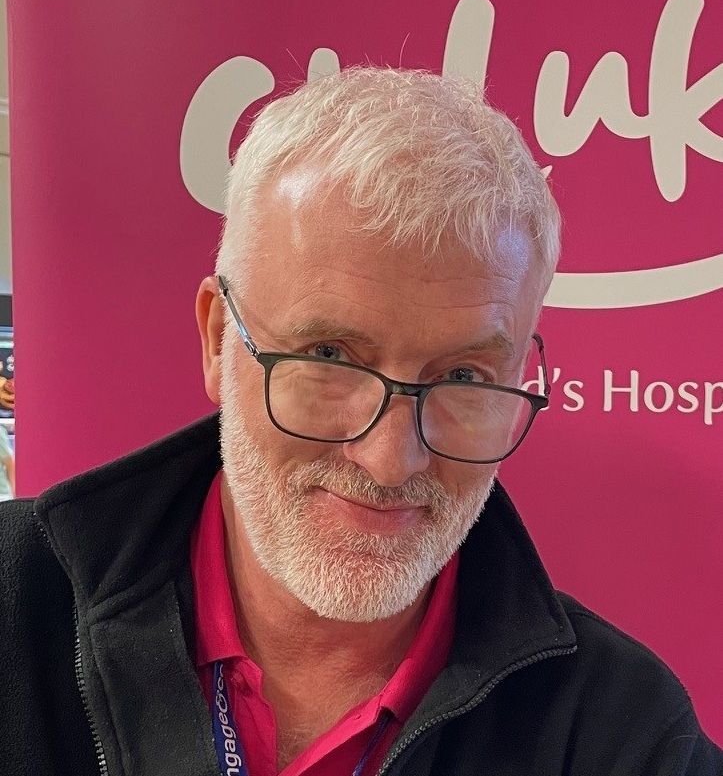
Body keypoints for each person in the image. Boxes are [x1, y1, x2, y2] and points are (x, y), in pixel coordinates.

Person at [1, 68, 720, 776]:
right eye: (329, 355)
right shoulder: (16, 604)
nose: (388, 459)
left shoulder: (622, 731)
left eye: (463, 377)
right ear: (219, 335)